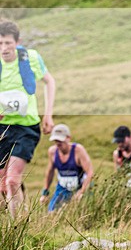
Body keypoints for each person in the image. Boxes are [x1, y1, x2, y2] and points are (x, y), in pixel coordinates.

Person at [0, 20, 56, 218]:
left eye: (8, 43)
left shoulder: (30, 58)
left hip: (26, 128)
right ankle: (20, 217)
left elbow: (49, 82)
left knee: (13, 180)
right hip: (2, 128)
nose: (4, 48)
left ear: (17, 42)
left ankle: (17, 230)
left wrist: (48, 115)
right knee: (2, 184)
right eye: (0, 44)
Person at [39, 123, 94, 211]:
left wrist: (82, 191)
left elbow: (90, 172)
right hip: (63, 187)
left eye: (60, 140)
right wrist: (45, 192)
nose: (58, 143)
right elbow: (50, 172)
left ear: (68, 138)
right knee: (52, 211)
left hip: (81, 185)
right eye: (56, 140)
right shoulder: (52, 152)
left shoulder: (78, 150)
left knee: (83, 210)